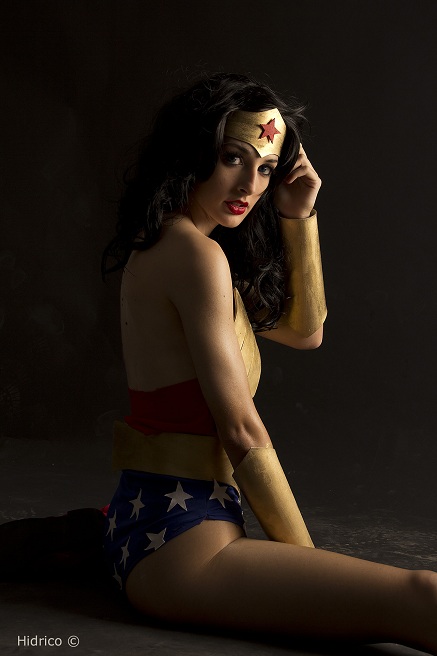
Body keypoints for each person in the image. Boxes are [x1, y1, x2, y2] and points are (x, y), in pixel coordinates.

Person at [2, 72, 437, 653]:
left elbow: (306, 333)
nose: (250, 184)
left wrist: (298, 215)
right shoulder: (196, 257)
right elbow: (240, 430)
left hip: (154, 526)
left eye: (266, 167)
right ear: (194, 151)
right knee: (422, 595)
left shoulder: (171, 244)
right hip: (180, 545)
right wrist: (309, 569)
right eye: (234, 158)